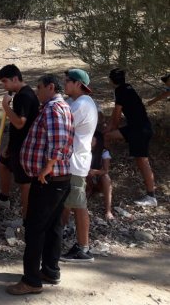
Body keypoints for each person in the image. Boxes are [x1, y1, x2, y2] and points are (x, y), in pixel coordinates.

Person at [7, 74, 74, 295]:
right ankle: (50, 270)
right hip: (54, 178)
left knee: (35, 229)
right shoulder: (55, 107)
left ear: (51, 87)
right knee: (53, 226)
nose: (36, 91)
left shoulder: (55, 109)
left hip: (48, 179)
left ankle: (31, 281)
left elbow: (58, 140)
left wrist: (47, 167)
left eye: (39, 87)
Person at [0, 64, 40, 220]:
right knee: (3, 164)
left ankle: (26, 219)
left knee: (25, 183)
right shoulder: (21, 94)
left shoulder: (24, 96)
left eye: (5, 81)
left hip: (24, 147)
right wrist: (10, 145)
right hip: (16, 144)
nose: (4, 86)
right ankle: (4, 198)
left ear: (15, 79)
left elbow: (19, 123)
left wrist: (5, 106)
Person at [60, 69, 98, 263]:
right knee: (67, 204)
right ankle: (58, 239)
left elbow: (61, 122)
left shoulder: (82, 104)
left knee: (78, 205)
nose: (64, 84)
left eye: (67, 81)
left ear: (78, 84)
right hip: (72, 162)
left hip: (76, 163)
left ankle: (83, 248)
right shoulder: (76, 103)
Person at [104, 68, 157, 207]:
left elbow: (116, 116)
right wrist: (109, 129)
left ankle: (151, 196)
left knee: (142, 161)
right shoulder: (127, 88)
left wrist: (110, 127)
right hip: (136, 128)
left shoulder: (120, 91)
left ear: (111, 80)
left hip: (139, 130)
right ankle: (103, 171)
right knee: (108, 136)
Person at [86, 131, 113, 220]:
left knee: (106, 178)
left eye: (92, 139)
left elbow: (105, 170)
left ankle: (108, 210)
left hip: (97, 178)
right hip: (86, 178)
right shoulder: (83, 150)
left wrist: (95, 172)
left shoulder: (104, 152)